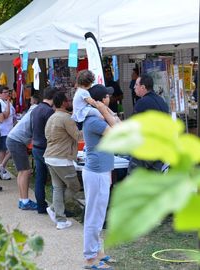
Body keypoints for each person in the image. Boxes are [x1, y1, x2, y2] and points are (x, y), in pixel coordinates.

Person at [82, 84, 117, 269]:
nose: (109, 99)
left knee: (99, 215)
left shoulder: (99, 116)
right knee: (94, 217)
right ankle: (89, 258)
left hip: (101, 171)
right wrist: (103, 109)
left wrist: (104, 109)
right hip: (96, 173)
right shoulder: (94, 120)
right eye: (106, 98)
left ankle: (97, 252)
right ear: (101, 100)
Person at [44, 91, 82, 230]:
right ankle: (55, 209)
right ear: (65, 103)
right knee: (74, 186)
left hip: (50, 157)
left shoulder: (52, 117)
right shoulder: (66, 118)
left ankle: (60, 219)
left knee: (58, 187)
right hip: (61, 159)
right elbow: (78, 136)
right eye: (68, 100)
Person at [128, 74, 169, 173]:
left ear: (143, 87)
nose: (134, 87)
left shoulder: (143, 102)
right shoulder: (161, 101)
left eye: (136, 85)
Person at [6, 94, 40, 210]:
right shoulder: (38, 112)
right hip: (17, 141)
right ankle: (25, 201)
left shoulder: (34, 109)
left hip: (13, 139)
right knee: (25, 171)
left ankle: (22, 200)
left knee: (22, 171)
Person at [31, 86, 57, 214]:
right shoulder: (49, 112)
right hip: (47, 148)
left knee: (40, 178)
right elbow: (53, 132)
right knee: (55, 179)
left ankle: (41, 205)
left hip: (36, 146)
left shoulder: (36, 109)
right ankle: (57, 207)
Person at [0, 85, 16, 180]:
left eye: (8, 92)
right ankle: (1, 166)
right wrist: (8, 104)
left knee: (3, 151)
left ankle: (1, 168)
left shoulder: (6, 102)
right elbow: (6, 115)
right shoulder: (0, 102)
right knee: (10, 149)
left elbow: (13, 114)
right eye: (5, 92)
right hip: (4, 130)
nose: (7, 94)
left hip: (9, 129)